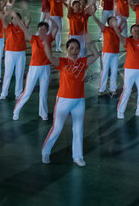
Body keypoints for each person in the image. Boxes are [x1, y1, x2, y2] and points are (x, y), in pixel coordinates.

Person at [41, 37, 100, 166]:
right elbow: (50, 57)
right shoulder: (62, 62)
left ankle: (77, 156)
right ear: (67, 49)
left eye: (77, 48)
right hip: (63, 100)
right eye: (71, 48)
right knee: (57, 128)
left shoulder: (82, 62)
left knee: (78, 129)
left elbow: (96, 55)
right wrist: (45, 42)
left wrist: (90, 43)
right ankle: (45, 152)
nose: (74, 51)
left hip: (79, 101)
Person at [13, 20, 56, 121]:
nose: (42, 31)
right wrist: (15, 17)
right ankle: (16, 110)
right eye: (40, 29)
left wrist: (50, 18)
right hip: (34, 68)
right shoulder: (33, 38)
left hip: (46, 68)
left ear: (47, 31)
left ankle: (43, 113)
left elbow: (56, 28)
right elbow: (23, 28)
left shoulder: (49, 38)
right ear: (38, 30)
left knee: (43, 93)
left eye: (44, 29)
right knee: (27, 92)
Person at [116, 23, 139, 119]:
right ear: (131, 32)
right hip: (129, 70)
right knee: (127, 91)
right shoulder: (128, 41)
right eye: (135, 30)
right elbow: (119, 35)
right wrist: (115, 26)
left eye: (138, 30)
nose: (137, 32)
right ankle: (120, 111)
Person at [92, 13, 124, 95]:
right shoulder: (106, 29)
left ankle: (113, 89)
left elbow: (124, 22)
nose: (115, 21)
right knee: (105, 71)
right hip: (107, 52)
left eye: (115, 20)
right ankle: (101, 89)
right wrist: (93, 15)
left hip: (116, 53)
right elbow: (98, 22)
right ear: (109, 22)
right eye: (113, 20)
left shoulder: (118, 29)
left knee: (114, 71)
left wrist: (121, 16)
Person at [0, 7, 28, 100]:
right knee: (8, 73)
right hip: (10, 53)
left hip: (21, 53)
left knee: (19, 74)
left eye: (17, 19)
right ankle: (4, 93)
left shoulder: (23, 27)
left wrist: (25, 10)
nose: (15, 21)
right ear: (11, 20)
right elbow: (2, 18)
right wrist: (9, 12)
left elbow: (28, 20)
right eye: (14, 19)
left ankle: (18, 93)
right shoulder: (8, 26)